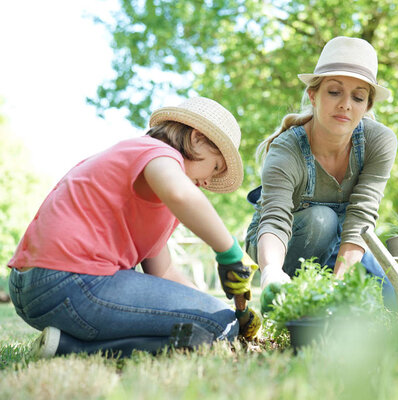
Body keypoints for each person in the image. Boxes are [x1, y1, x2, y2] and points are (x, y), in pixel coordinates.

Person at [8, 97, 259, 358]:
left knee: (218, 322)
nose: (207, 182)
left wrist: (220, 308)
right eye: (215, 167)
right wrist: (230, 252)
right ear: (196, 138)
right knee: (219, 327)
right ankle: (81, 351)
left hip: (33, 287)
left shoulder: (148, 183)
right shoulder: (158, 153)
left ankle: (65, 346)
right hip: (72, 281)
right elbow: (181, 194)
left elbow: (163, 272)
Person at [245, 36, 398, 310]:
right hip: (281, 242)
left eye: (358, 96)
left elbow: (361, 218)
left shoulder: (380, 142)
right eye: (334, 91)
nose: (346, 105)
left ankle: (324, 301)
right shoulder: (286, 148)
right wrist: (271, 272)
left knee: (390, 302)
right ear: (313, 95)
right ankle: (285, 302)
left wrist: (339, 288)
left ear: (367, 106)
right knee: (322, 219)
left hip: (342, 239)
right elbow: (275, 218)